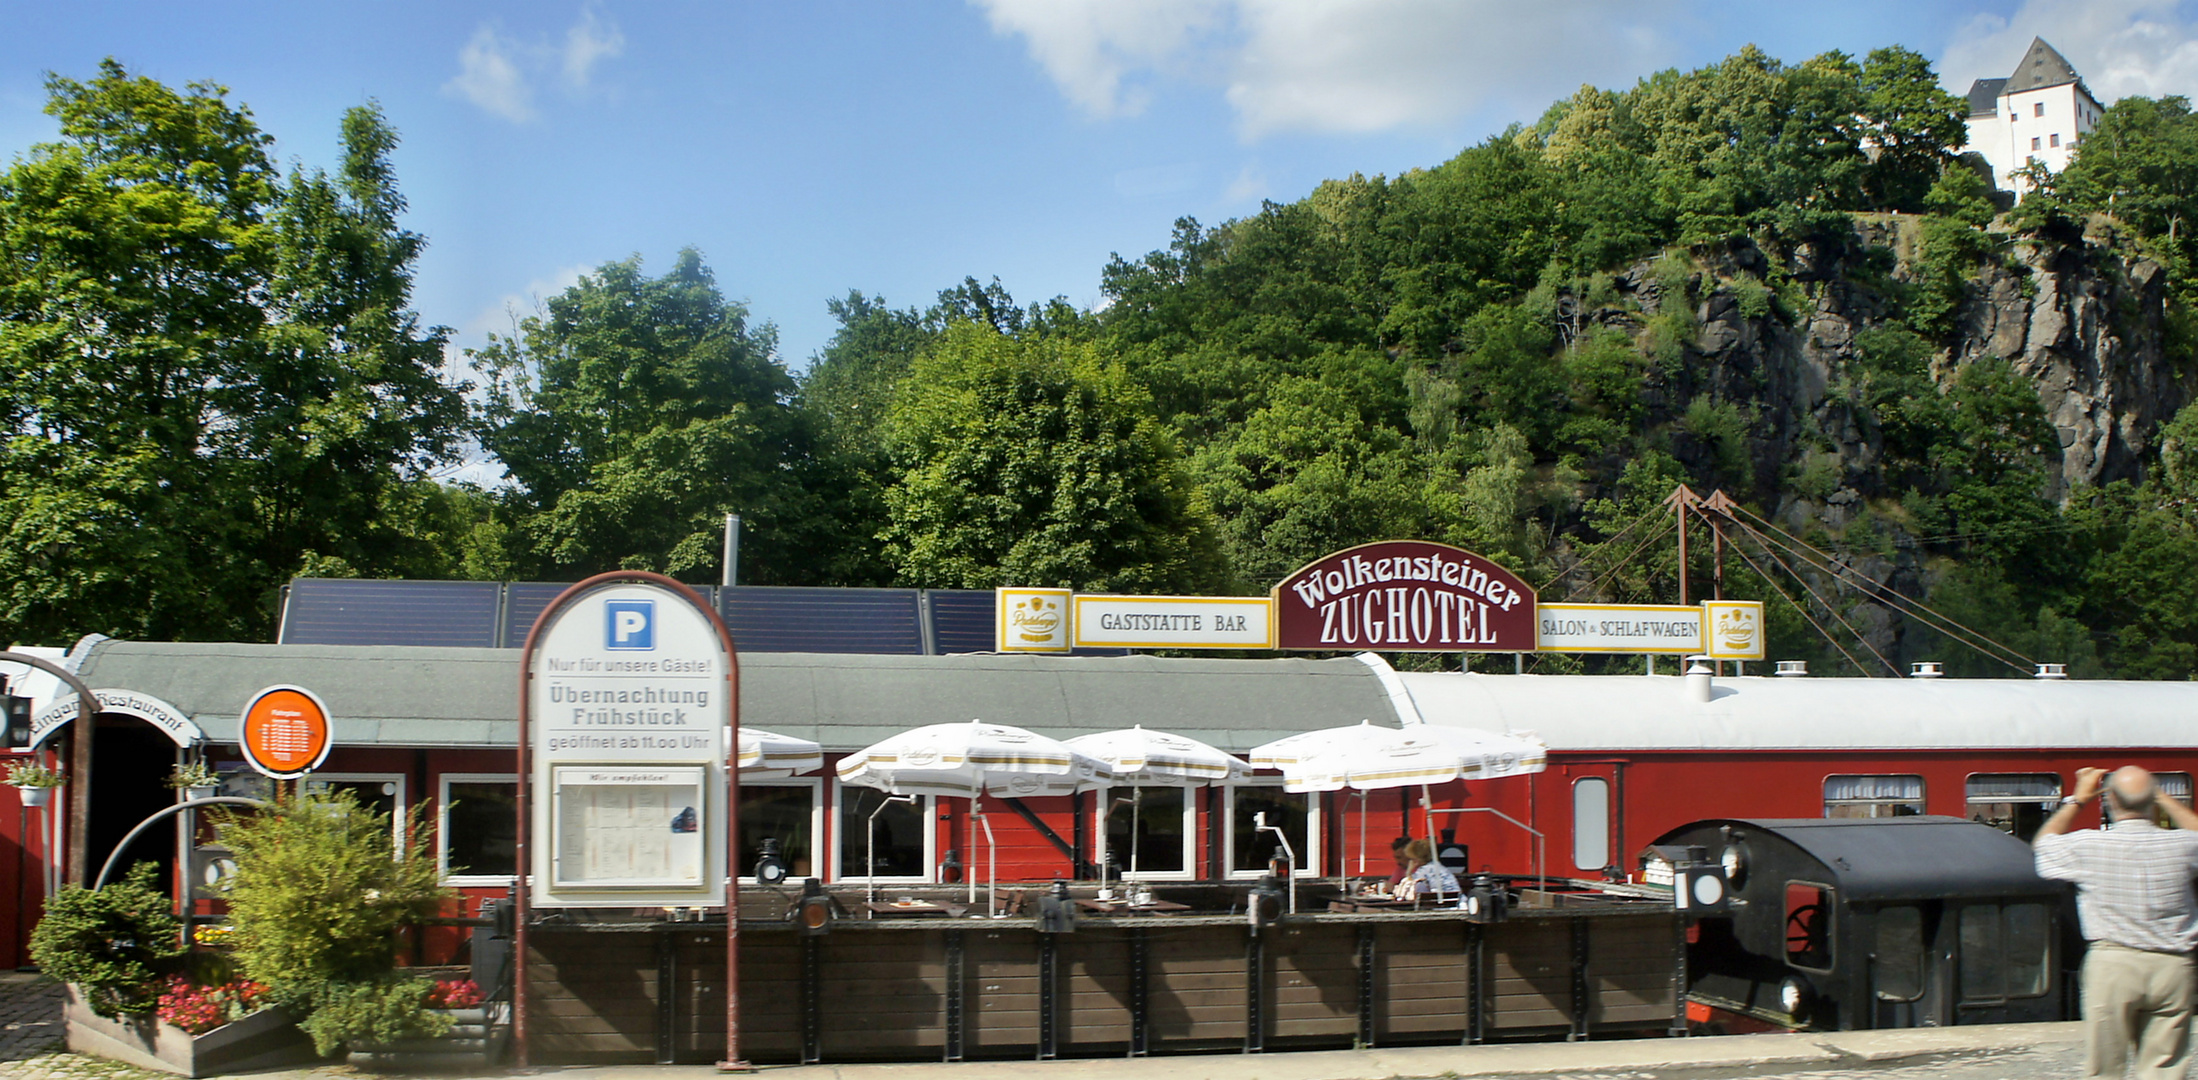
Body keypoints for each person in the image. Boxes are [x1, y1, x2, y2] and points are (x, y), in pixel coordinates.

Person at [2033, 766, 2198, 1080]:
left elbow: (2043, 846)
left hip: (2113, 964)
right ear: (2153, 801)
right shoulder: (2184, 846)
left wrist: (2078, 799)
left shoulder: (2087, 845)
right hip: (2173, 966)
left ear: (2109, 801)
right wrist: (2163, 798)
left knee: (2105, 1068)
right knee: (2165, 1071)